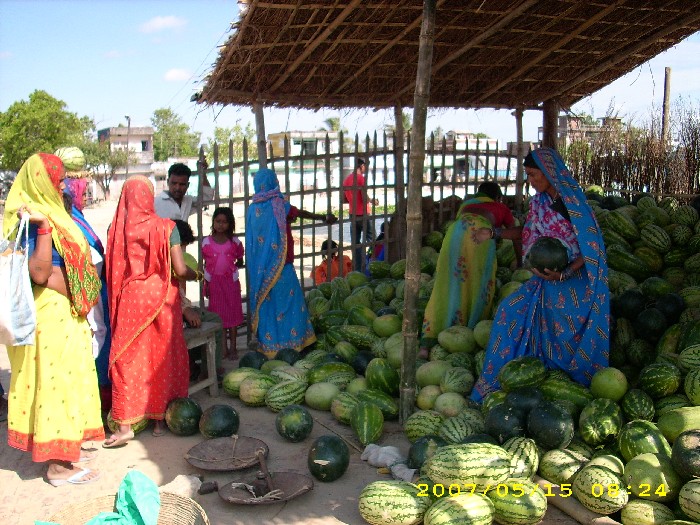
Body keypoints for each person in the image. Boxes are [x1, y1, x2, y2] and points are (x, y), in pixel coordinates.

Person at [470, 148, 610, 402]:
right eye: (528, 175)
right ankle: (501, 384)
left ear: (549, 172)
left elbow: (593, 247)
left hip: (575, 285)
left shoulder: (573, 204)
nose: (531, 181)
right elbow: (526, 232)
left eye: (534, 175)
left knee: (563, 338)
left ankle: (569, 390)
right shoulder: (539, 203)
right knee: (509, 311)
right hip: (545, 283)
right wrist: (493, 234)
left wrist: (565, 273)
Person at [2, 153, 103, 485]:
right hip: (49, 316)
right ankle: (58, 466)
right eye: (57, 181)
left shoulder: (56, 213)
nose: (62, 187)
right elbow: (40, 272)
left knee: (70, 382)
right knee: (55, 384)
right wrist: (44, 228)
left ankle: (67, 446)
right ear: (40, 182)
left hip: (66, 314)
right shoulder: (32, 219)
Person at [105, 176, 201, 447]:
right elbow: (179, 269)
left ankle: (125, 426)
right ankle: (160, 420)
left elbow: (113, 269)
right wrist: (197, 275)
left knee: (127, 360)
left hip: (132, 299)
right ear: (148, 197)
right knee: (161, 358)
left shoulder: (117, 228)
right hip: (163, 298)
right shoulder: (167, 227)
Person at [420, 181, 519, 357]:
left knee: (446, 285)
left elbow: (463, 222)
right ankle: (469, 335)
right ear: (497, 197)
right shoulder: (501, 208)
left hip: (454, 237)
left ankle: (427, 343)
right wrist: (520, 260)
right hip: (480, 237)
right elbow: (517, 234)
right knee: (478, 286)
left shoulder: (467, 204)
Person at [246, 168, 337, 357]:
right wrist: (323, 217)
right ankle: (296, 342)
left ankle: (270, 347)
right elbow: (299, 213)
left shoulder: (252, 210)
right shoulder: (278, 205)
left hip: (261, 272)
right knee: (291, 303)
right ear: (274, 182)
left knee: (269, 306)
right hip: (282, 265)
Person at [63, 176, 112, 410]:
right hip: (86, 291)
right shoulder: (70, 222)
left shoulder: (78, 219)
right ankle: (98, 395)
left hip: (94, 288)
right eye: (81, 194)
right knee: (96, 335)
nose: (84, 199)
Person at [172, 219, 226, 380]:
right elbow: (176, 283)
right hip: (171, 311)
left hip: (178, 306)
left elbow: (179, 291)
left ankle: (202, 366)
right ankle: (206, 370)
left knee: (212, 319)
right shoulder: (169, 259)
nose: (183, 251)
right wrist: (185, 309)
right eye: (182, 246)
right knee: (211, 322)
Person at [201, 207, 244, 360]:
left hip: (231, 284)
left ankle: (233, 348)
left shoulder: (235, 242)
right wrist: (206, 284)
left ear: (230, 223)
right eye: (218, 221)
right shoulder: (206, 242)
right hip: (215, 285)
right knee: (219, 316)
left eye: (224, 222)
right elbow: (205, 265)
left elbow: (240, 258)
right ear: (213, 222)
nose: (221, 225)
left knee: (232, 315)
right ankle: (223, 348)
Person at [343, 158, 378, 271]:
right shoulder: (360, 178)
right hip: (363, 214)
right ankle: (374, 265)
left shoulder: (347, 180)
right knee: (372, 240)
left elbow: (343, 199)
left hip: (352, 214)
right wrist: (372, 200)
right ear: (362, 166)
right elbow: (364, 198)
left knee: (356, 243)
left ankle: (358, 268)